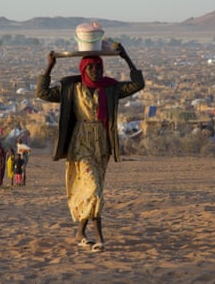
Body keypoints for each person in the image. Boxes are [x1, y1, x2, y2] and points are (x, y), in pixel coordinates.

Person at [36, 44, 144, 252]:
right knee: (94, 190)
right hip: (81, 144)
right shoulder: (72, 89)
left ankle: (80, 232)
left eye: (98, 67)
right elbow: (43, 92)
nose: (96, 71)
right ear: (83, 69)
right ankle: (99, 238)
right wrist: (49, 67)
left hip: (101, 146)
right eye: (91, 68)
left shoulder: (110, 88)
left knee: (93, 191)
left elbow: (138, 84)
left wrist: (126, 57)